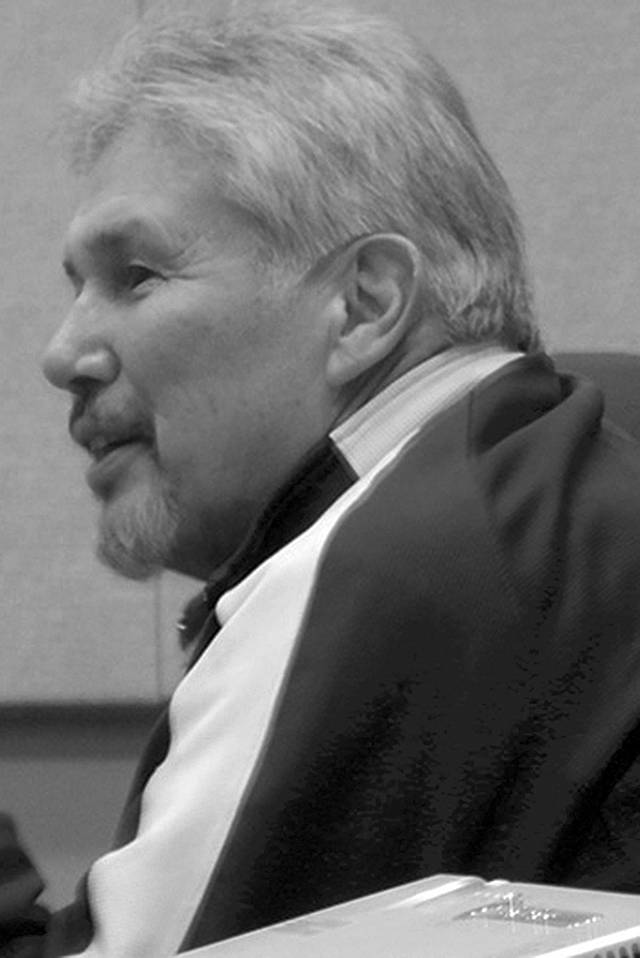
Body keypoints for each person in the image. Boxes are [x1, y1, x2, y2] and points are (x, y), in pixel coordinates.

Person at [6, 1, 640, 954]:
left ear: (365, 303)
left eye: (136, 275)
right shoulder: (564, 457)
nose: (64, 354)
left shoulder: (378, 562)